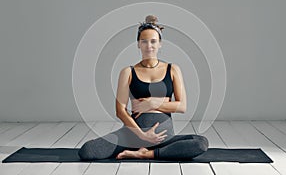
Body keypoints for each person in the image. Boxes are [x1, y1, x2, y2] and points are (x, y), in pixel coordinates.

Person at [78, 15, 209, 161]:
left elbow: (182, 106)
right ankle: (144, 149)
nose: (149, 46)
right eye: (144, 41)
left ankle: (146, 153)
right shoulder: (128, 72)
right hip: (132, 136)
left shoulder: (172, 69)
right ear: (138, 44)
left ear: (160, 44)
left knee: (200, 143)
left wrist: (153, 103)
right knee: (87, 151)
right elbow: (120, 111)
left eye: (153, 41)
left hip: (163, 138)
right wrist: (142, 135)